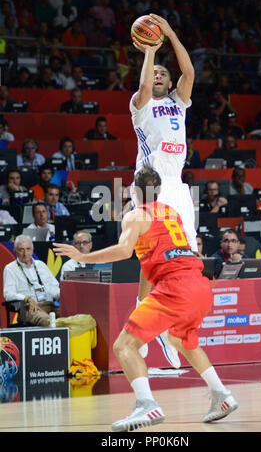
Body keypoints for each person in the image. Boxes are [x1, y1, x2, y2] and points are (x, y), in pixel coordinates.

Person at [53, 165, 238, 431]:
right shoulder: (170, 212)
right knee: (181, 339)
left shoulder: (135, 215)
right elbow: (151, 259)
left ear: (135, 191)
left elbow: (123, 250)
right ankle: (221, 395)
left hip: (174, 288)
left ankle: (147, 405)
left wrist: (82, 257)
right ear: (159, 190)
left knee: (123, 346)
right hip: (198, 285)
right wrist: (143, 299)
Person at [129, 13, 197, 368]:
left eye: (162, 74)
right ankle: (144, 321)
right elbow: (142, 88)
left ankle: (169, 326)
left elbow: (189, 73)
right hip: (149, 182)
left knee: (185, 257)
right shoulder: (139, 105)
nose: (157, 76)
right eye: (154, 73)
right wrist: (150, 53)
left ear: (169, 83)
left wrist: (170, 34)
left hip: (177, 184)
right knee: (154, 253)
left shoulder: (178, 102)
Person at [3, 234, 60, 326]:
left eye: (28, 249)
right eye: (21, 250)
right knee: (48, 321)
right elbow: (8, 294)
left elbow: (54, 287)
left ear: (33, 250)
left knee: (69, 317)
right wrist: (27, 299)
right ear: (15, 252)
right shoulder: (10, 269)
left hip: (50, 305)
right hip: (29, 309)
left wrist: (62, 296)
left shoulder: (41, 265)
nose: (25, 253)